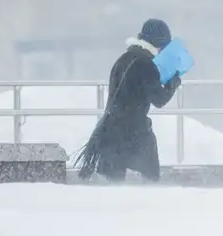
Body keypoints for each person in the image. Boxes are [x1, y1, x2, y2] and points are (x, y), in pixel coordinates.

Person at [76, 18, 181, 183]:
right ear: (157, 44)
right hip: (134, 132)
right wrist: (173, 82)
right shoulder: (146, 64)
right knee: (150, 179)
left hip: (110, 129)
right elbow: (160, 99)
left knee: (114, 185)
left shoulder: (124, 59)